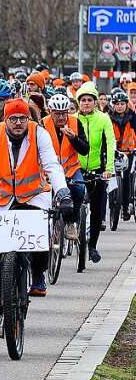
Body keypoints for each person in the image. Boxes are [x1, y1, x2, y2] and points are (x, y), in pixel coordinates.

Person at [0, 99, 71, 338]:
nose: (18, 123)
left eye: (22, 119)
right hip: (0, 198)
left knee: (41, 232)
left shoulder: (39, 134)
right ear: (5, 120)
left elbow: (52, 165)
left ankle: (38, 274)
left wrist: (63, 193)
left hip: (33, 194)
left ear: (28, 119)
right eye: (13, 119)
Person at [73, 82, 115, 263]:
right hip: (76, 168)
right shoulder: (73, 119)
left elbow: (111, 142)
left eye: (90, 100)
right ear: (78, 102)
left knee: (97, 210)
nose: (86, 103)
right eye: (83, 100)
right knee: (74, 201)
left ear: (96, 102)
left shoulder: (103, 118)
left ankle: (92, 246)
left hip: (98, 169)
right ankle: (72, 227)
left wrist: (109, 169)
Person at [43, 93, 89, 241]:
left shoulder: (75, 123)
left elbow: (85, 149)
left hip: (71, 169)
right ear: (50, 111)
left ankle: (71, 223)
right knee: (43, 194)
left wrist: (74, 138)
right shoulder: (42, 124)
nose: (61, 117)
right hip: (48, 171)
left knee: (79, 189)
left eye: (64, 113)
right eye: (57, 114)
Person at [108, 89, 136, 220]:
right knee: (111, 178)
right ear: (113, 104)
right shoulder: (107, 117)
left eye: (122, 104)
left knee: (126, 180)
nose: (119, 106)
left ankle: (125, 208)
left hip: (128, 151)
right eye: (117, 103)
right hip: (112, 152)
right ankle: (111, 203)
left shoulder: (133, 117)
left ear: (126, 104)